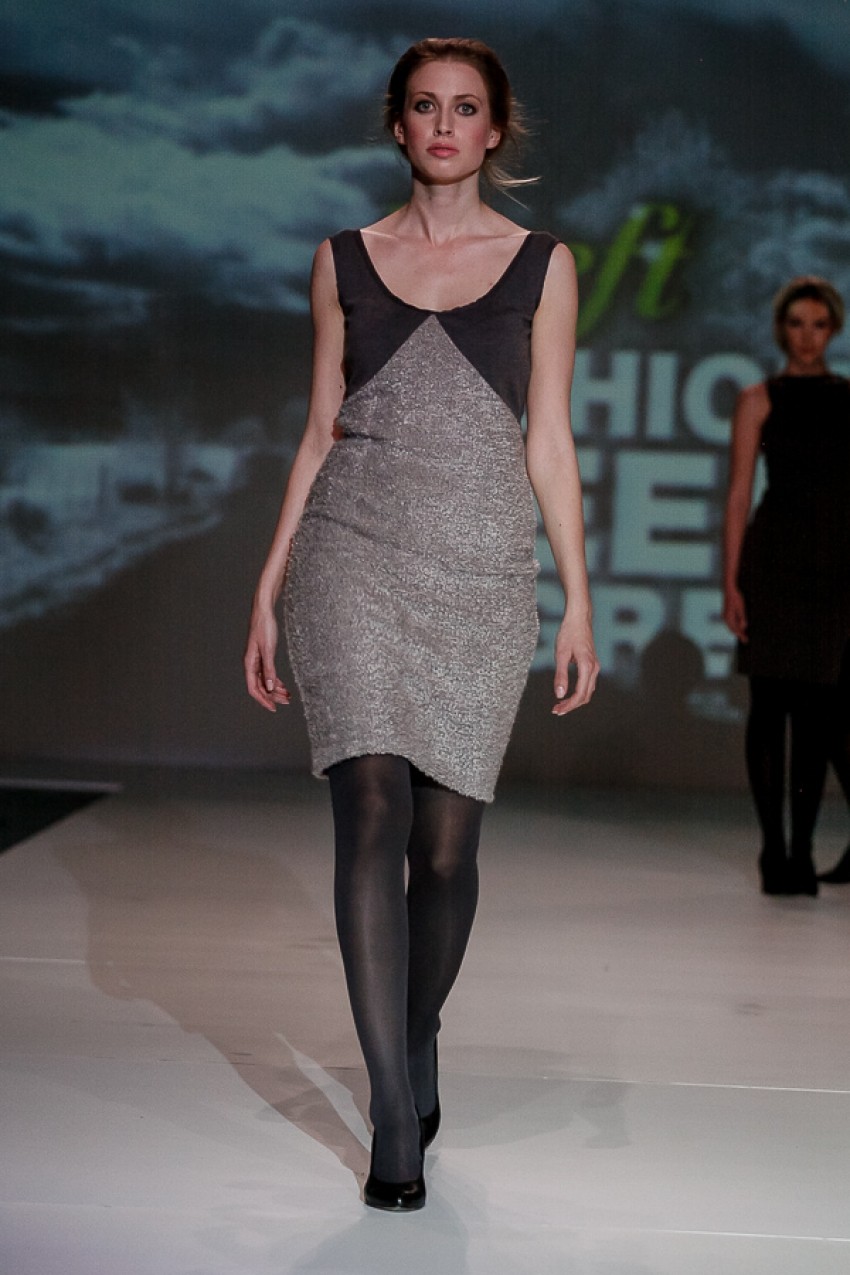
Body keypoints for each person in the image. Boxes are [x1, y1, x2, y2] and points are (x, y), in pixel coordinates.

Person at [243, 37, 598, 1211]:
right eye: (424, 105)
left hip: (481, 578)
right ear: (396, 124)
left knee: (445, 854)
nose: (444, 124)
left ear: (495, 129)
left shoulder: (542, 266)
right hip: (349, 558)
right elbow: (318, 430)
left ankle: (417, 1028)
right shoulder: (342, 259)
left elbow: (550, 441)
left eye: (465, 107)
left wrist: (579, 597)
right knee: (371, 816)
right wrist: (269, 582)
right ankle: (392, 1112)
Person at [723, 276, 850, 896]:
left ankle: (803, 850)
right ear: (782, 330)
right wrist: (730, 583)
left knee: (817, 715)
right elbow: (739, 494)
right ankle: (774, 851)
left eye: (818, 325)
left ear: (833, 330)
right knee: (770, 708)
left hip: (835, 571)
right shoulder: (759, 399)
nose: (807, 336)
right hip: (773, 565)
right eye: (797, 324)